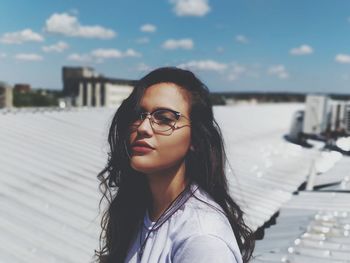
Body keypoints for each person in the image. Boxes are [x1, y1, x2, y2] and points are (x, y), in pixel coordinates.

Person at [96, 67, 255, 263]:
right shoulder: (140, 210)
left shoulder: (202, 240)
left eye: (164, 119)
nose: (143, 128)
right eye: (139, 114)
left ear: (195, 139)